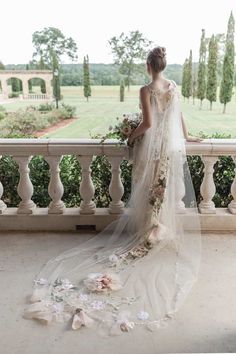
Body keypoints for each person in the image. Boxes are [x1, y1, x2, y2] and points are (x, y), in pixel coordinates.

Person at [24, 46, 202, 336]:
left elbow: (147, 123)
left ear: (148, 65)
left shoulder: (147, 89)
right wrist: (187, 136)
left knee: (146, 189)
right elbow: (177, 117)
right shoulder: (173, 86)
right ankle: (155, 228)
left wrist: (129, 136)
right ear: (164, 65)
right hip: (167, 150)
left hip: (148, 148)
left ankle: (147, 230)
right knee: (159, 190)